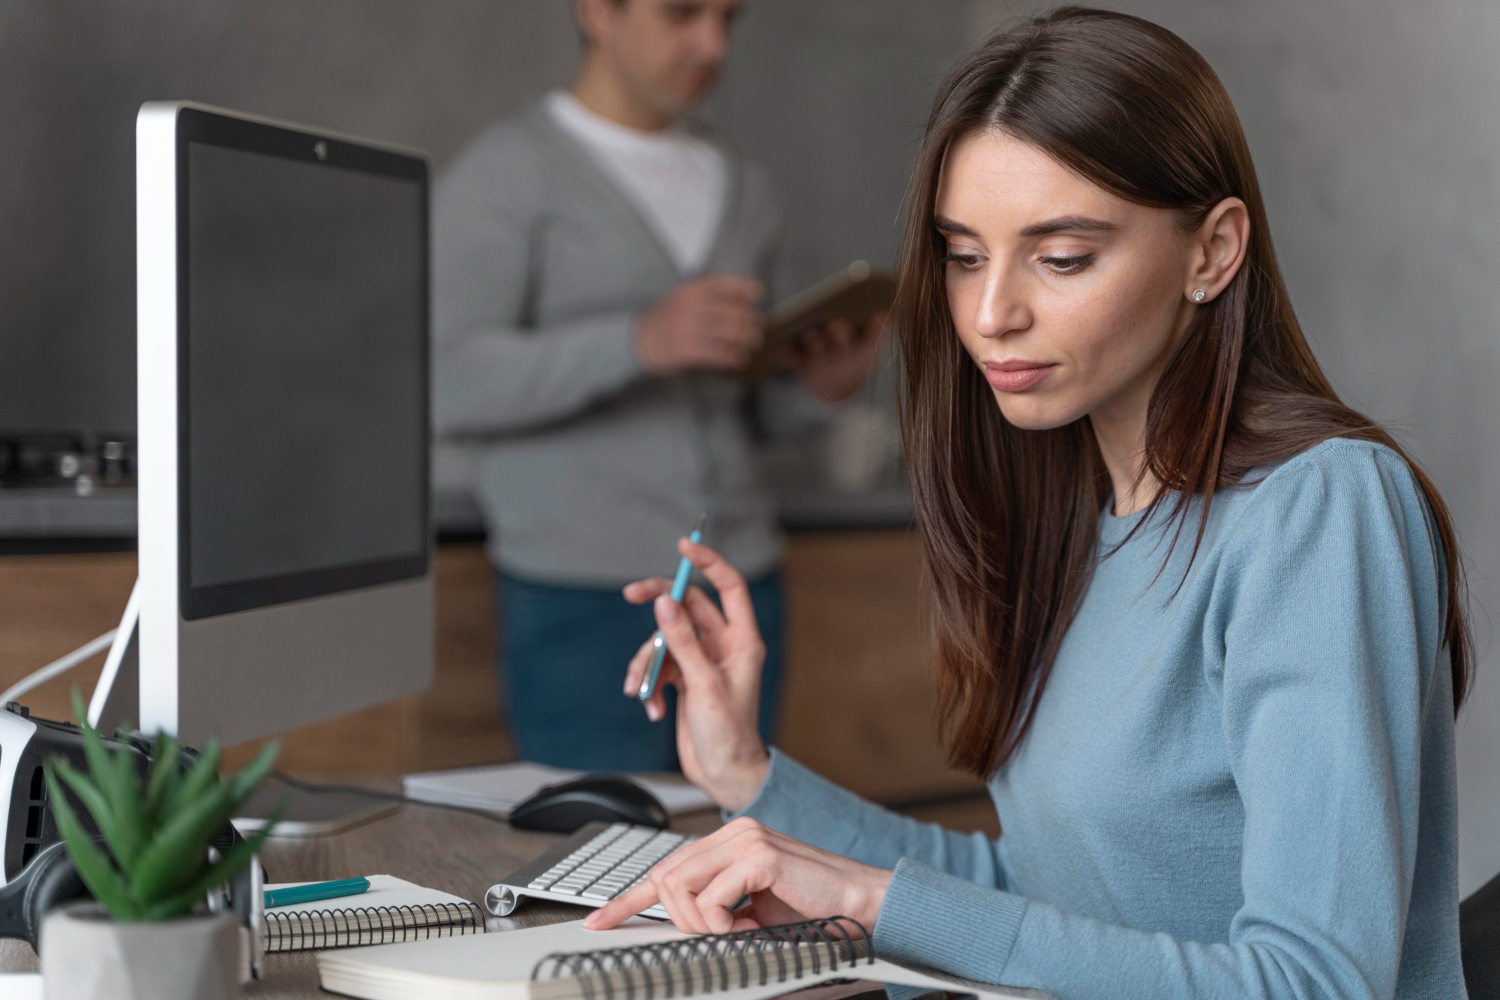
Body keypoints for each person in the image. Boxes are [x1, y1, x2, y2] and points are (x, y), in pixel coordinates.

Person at [583, 8, 1471, 998]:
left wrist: (875, 902)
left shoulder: (1318, 508)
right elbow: (1051, 902)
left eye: (1061, 257)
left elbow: (1315, 982)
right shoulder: (1085, 524)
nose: (992, 312)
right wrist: (750, 776)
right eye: (965, 255)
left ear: (1212, 251)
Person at [433, 0, 884, 770]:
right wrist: (637, 341)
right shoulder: (505, 172)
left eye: (726, 19)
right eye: (682, 14)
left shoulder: (746, 187)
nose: (711, 44)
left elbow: (732, 410)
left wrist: (821, 391)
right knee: (594, 864)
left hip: (742, 581)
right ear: (596, 12)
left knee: (732, 845)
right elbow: (446, 382)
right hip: (582, 596)